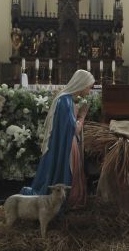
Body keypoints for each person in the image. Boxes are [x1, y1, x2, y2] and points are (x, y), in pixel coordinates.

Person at [21, 69, 95, 208]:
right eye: (89, 87)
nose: (90, 91)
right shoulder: (65, 101)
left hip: (67, 143)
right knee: (71, 173)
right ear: (81, 84)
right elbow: (74, 129)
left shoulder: (65, 99)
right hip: (68, 145)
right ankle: (70, 203)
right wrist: (83, 115)